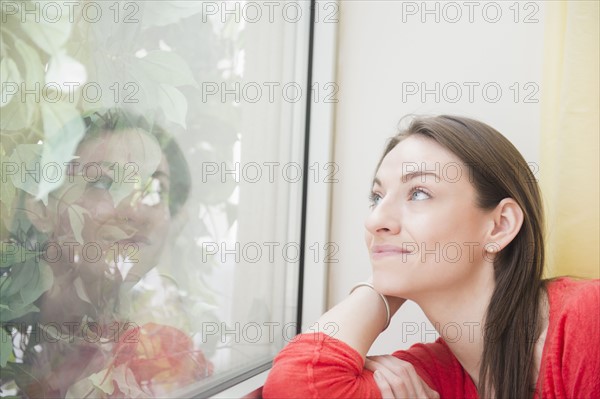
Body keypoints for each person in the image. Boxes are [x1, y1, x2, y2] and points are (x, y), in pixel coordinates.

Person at [262, 115, 600, 398]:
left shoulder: (587, 321)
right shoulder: (433, 375)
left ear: (499, 226)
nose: (375, 220)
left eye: (419, 193)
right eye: (377, 197)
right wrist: (381, 287)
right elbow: (295, 387)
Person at [1, 108, 214, 398]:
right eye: (103, 183)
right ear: (39, 207)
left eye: (154, 188)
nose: (134, 209)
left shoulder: (171, 353)